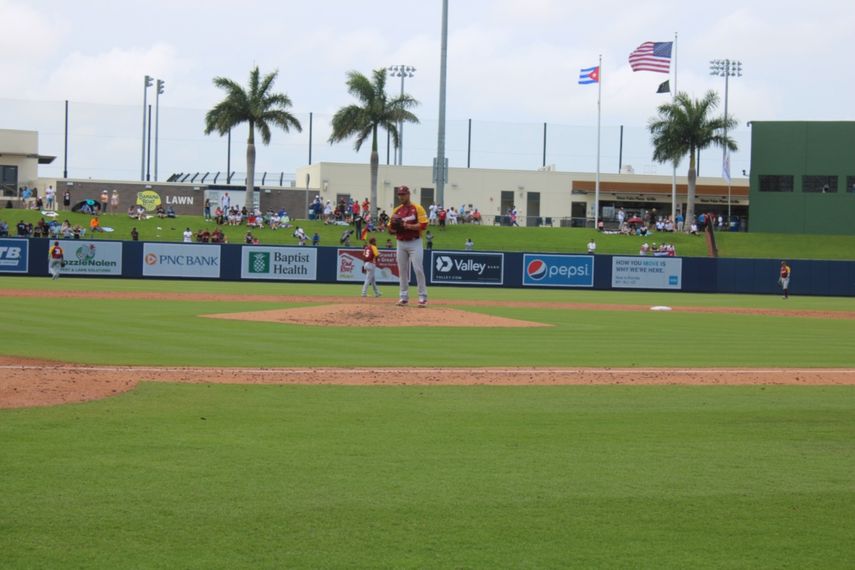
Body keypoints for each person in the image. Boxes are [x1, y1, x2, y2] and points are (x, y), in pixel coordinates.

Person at [388, 186, 428, 307]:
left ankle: (422, 297)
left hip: (415, 242)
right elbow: (390, 229)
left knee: (418, 269)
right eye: (399, 194)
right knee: (402, 271)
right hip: (401, 242)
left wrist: (407, 226)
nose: (401, 196)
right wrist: (394, 228)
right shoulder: (396, 210)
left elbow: (424, 225)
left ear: (409, 194)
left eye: (403, 194)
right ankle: (403, 297)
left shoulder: (417, 208)